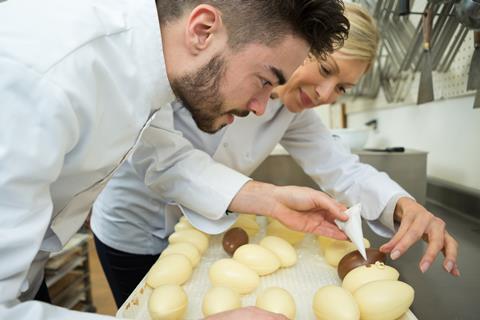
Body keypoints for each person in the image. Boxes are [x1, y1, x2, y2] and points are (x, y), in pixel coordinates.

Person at [91, 3, 460, 311]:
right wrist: (264, 196)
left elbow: (343, 170)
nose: (325, 93)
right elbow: (164, 157)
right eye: (326, 70)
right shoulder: (203, 72)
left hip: (198, 226)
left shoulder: (293, 114)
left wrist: (400, 204)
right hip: (132, 227)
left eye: (342, 87)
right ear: (298, 47)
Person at [0, 0, 351, 319]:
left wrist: (270, 199)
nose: (261, 106)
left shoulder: (138, 59)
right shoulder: (39, 77)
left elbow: (163, 153)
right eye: (264, 80)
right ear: (202, 30)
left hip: (25, 278)